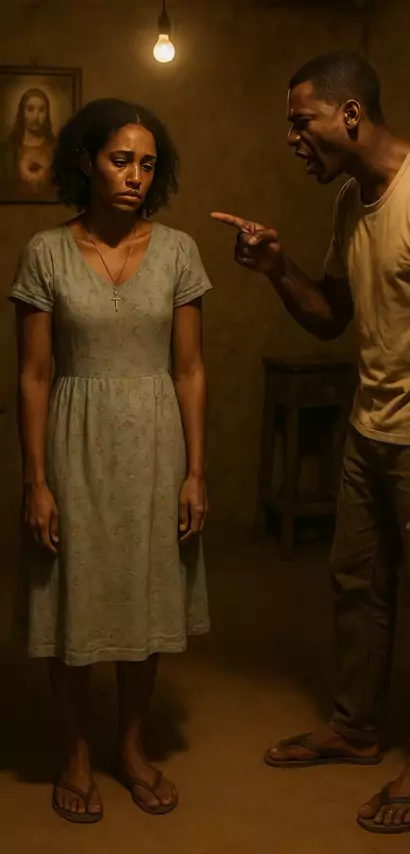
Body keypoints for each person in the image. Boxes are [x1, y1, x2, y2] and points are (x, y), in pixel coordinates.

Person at [212, 50, 410, 835]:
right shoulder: (352, 200)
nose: (292, 138)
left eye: (302, 122)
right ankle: (357, 729)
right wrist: (276, 268)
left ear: (350, 115)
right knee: (356, 586)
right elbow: (332, 316)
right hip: (370, 431)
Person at [12, 98, 212, 823]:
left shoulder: (179, 251)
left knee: (145, 592)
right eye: (120, 159)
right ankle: (73, 752)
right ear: (87, 162)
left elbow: (189, 370)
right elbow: (34, 375)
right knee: (73, 595)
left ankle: (129, 747)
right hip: (75, 443)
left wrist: (196, 471)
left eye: (147, 165)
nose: (134, 176)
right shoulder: (46, 252)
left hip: (157, 445)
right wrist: (35, 479)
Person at [1, 88, 56, 197]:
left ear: (47, 114)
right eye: (30, 109)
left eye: (41, 110)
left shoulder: (57, 149)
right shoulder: (6, 151)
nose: (36, 116)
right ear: (22, 112)